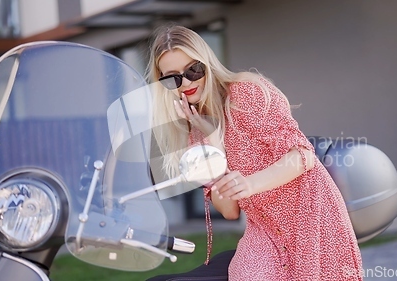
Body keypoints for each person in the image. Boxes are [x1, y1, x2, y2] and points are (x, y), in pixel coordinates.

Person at [145, 24, 363, 281]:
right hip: (265, 230)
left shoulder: (245, 93)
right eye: (173, 78)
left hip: (310, 216)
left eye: (194, 69)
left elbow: (302, 155)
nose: (187, 83)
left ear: (208, 64)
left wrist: (250, 184)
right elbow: (229, 211)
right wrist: (215, 145)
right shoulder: (197, 134)